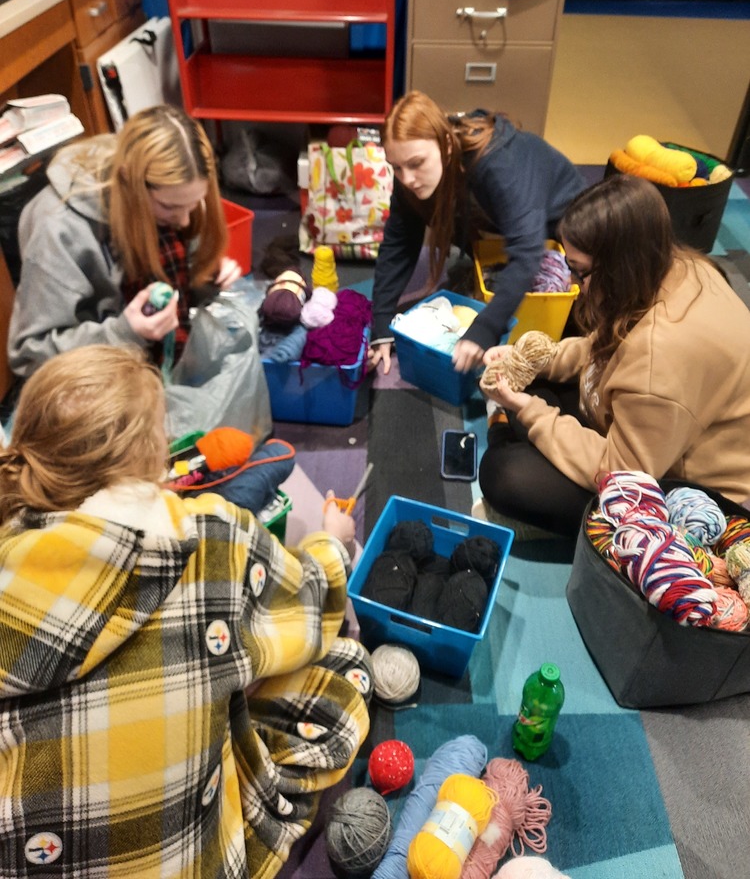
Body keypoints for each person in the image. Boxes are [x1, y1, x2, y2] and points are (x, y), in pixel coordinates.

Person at [0, 344, 371, 878]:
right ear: (158, 454)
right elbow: (312, 608)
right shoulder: (207, 538)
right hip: (191, 866)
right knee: (342, 665)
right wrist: (331, 543)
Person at [477, 174, 750, 537]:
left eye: (580, 271)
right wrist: (536, 359)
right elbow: (604, 346)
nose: (573, 283)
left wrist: (525, 409)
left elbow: (624, 471)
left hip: (684, 486)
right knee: (533, 387)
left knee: (503, 474)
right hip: (654, 427)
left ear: (618, 264)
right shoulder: (676, 265)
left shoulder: (662, 353)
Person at [8, 104, 242, 378]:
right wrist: (125, 333)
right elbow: (29, 354)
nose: (184, 223)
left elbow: (178, 276)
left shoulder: (170, 197)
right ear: (129, 183)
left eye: (192, 206)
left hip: (148, 360)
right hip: (95, 380)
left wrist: (204, 279)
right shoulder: (57, 228)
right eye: (170, 208)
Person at [369, 90, 585, 374]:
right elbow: (399, 240)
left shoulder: (497, 164)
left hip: (567, 223)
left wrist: (484, 330)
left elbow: (526, 252)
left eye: (416, 164)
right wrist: (382, 320)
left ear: (446, 144)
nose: (406, 178)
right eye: (395, 167)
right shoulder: (410, 172)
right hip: (503, 224)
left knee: (569, 326)